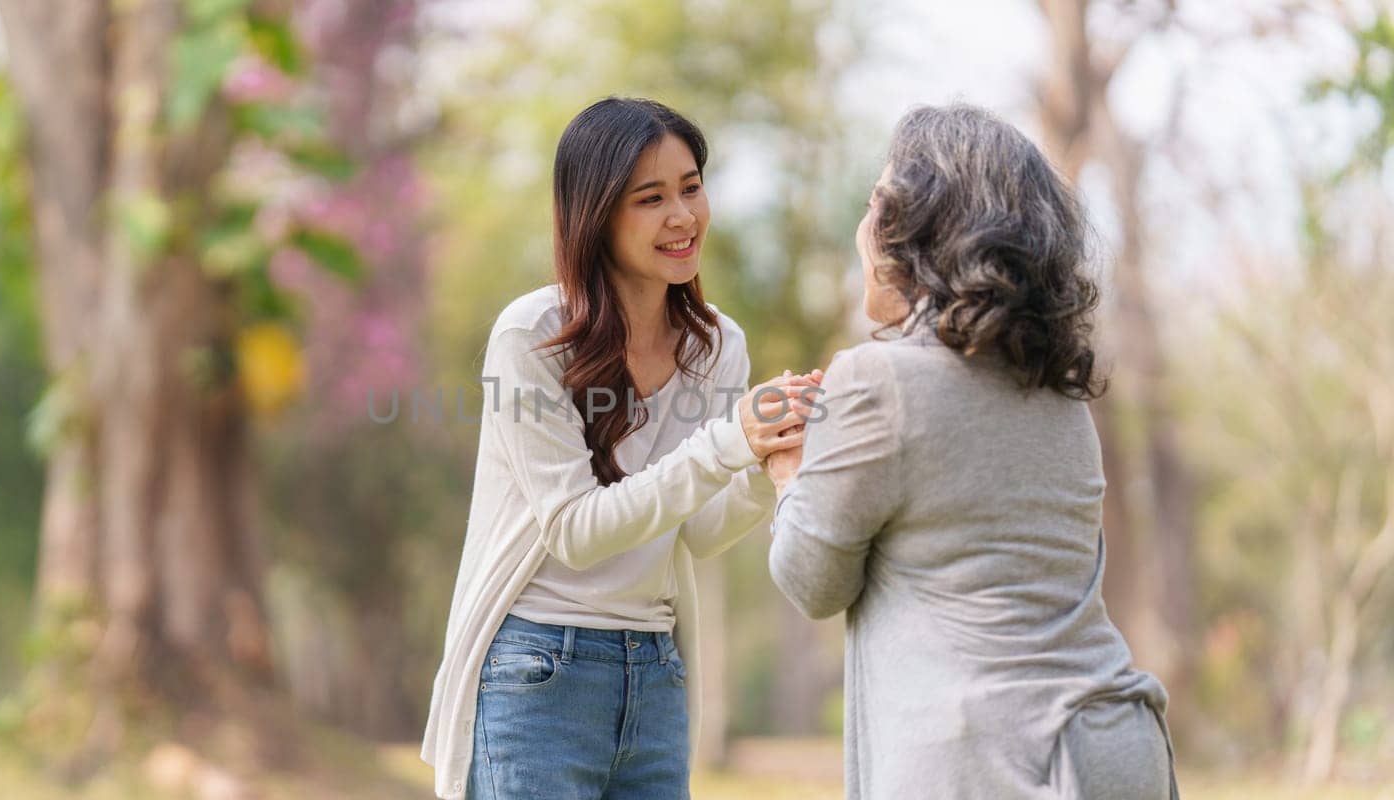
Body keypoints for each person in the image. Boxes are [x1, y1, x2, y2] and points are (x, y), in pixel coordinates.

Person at [766, 103, 1179, 799]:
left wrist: (786, 468)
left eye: (875, 204)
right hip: (1116, 746)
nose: (862, 230)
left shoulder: (877, 380)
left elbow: (814, 581)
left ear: (915, 229)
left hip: (987, 762)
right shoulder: (1058, 392)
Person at [421, 96, 818, 800]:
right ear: (597, 214)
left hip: (655, 672)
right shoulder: (531, 340)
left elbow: (696, 531)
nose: (683, 216)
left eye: (692, 187)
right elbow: (575, 532)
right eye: (651, 198)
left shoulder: (716, 345)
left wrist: (764, 457)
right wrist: (729, 442)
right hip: (537, 672)